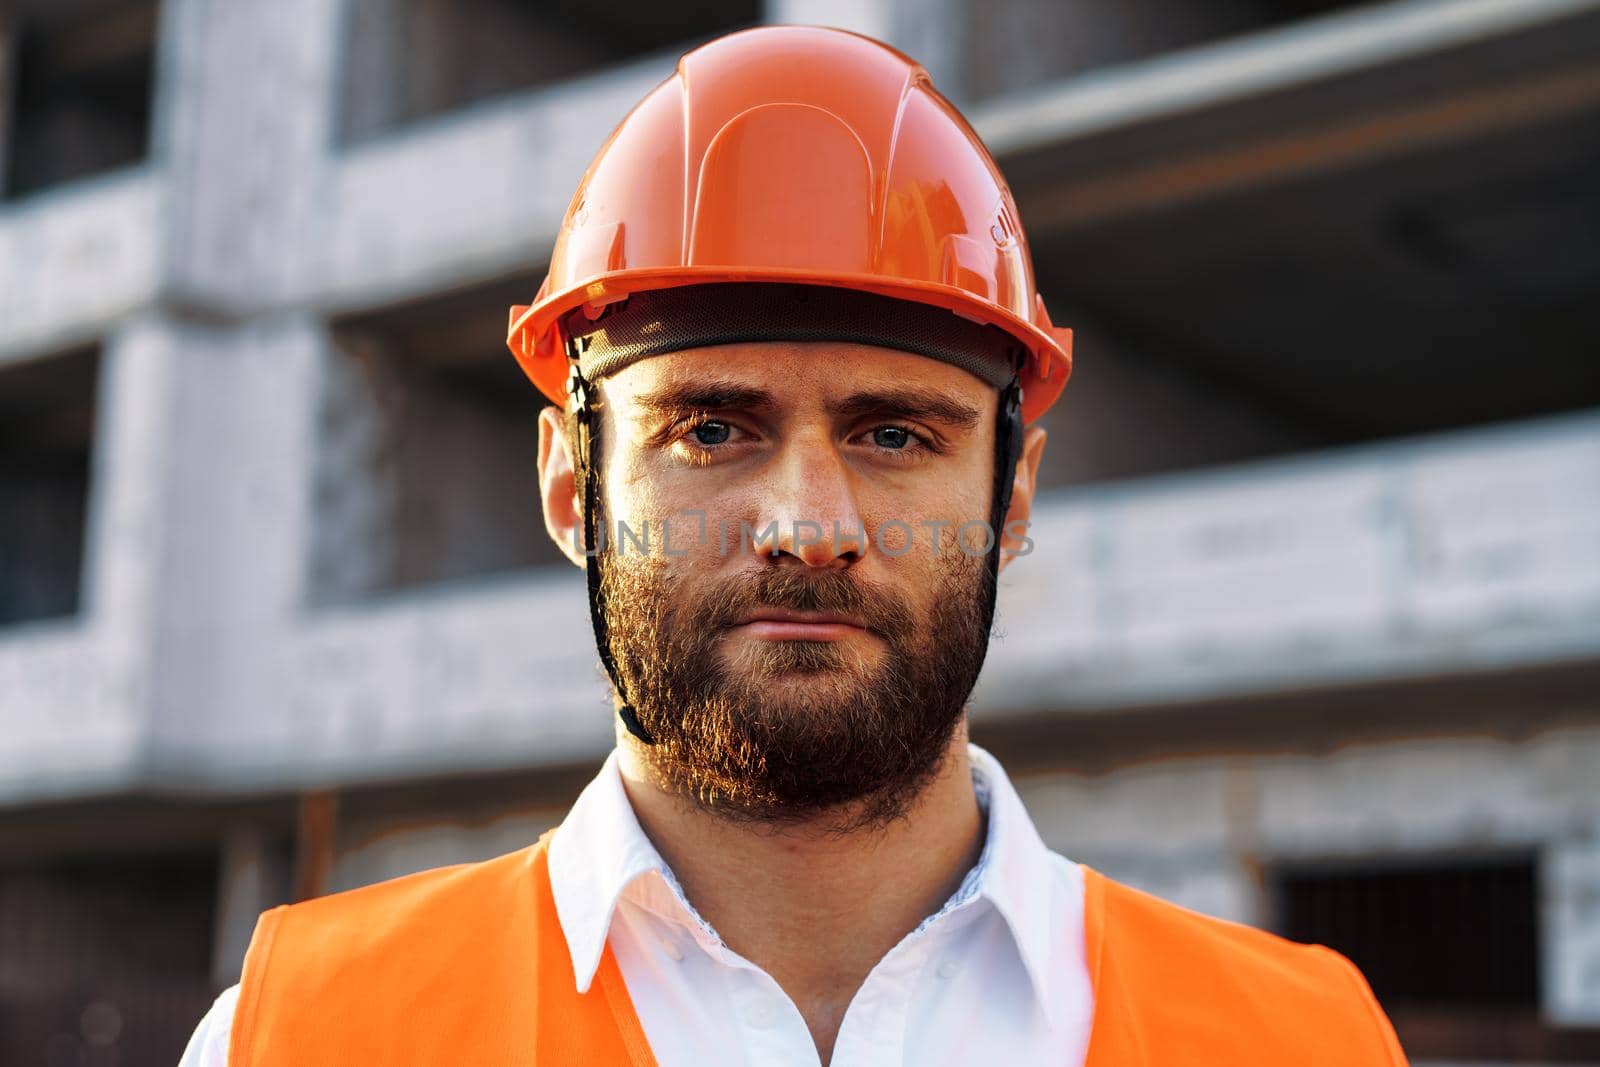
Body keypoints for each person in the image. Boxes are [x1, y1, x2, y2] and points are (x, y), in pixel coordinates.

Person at [180, 25, 1407, 1067]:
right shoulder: (294, 1036)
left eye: (892, 431)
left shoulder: (1302, 1038)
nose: (810, 526)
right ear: (570, 483)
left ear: (1011, 495)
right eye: (711, 426)